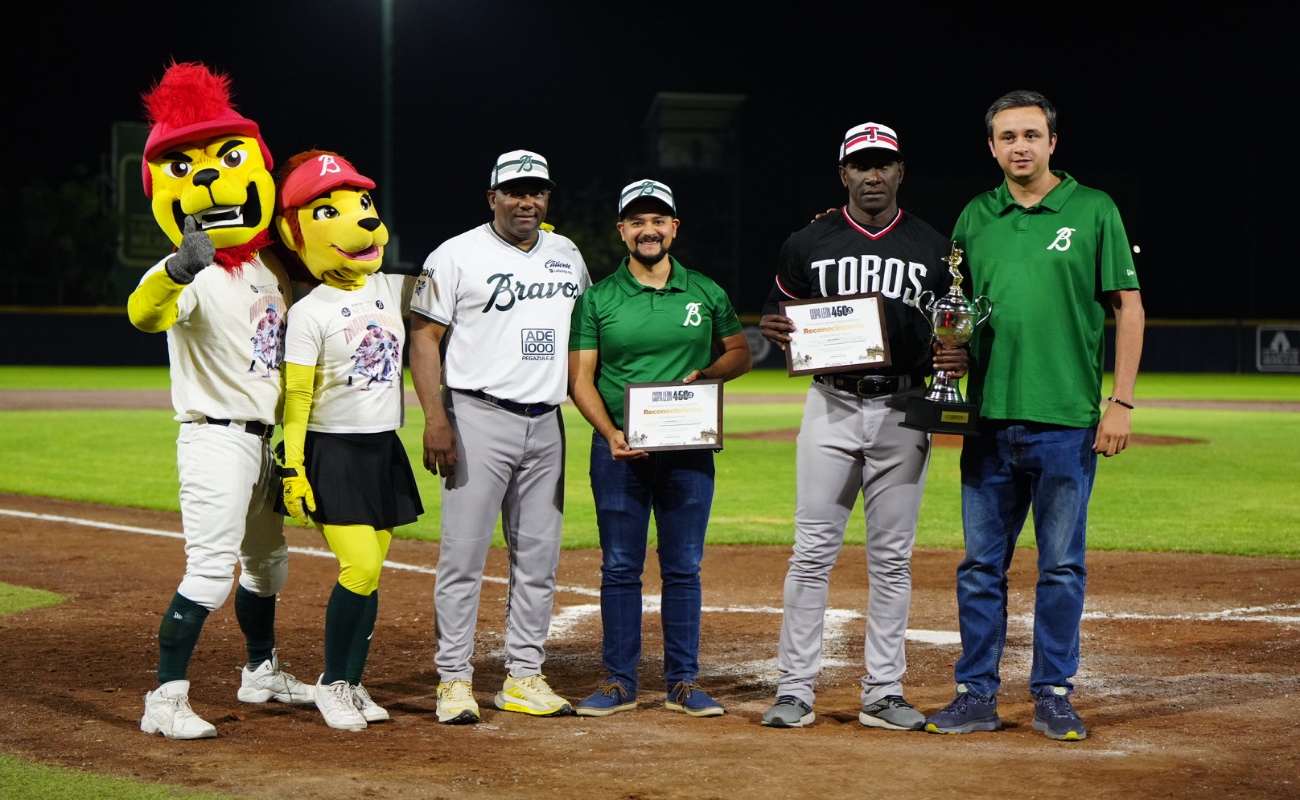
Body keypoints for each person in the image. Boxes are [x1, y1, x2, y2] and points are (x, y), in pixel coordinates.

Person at [923, 90, 1145, 742]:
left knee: (1062, 567)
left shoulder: (1094, 208)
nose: (1019, 146)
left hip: (1065, 420)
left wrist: (1121, 401)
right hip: (988, 420)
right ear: (991, 147)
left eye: (1030, 135)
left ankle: (1053, 693)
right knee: (979, 568)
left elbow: (1128, 307)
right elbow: (957, 312)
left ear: (1052, 142)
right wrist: (950, 356)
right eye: (1007, 137)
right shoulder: (974, 216)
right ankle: (975, 695)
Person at [757, 122, 967, 731]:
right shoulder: (807, 241)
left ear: (900, 171)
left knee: (893, 558)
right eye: (860, 165)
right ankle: (795, 689)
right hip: (831, 405)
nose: (872, 175)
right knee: (811, 552)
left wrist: (956, 353)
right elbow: (779, 309)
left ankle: (883, 693)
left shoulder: (936, 247)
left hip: (905, 407)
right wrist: (774, 326)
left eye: (883, 164)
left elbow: (954, 326)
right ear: (843, 173)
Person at [129, 61, 313, 740]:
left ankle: (260, 671)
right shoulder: (187, 267)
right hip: (214, 436)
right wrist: (179, 267)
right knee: (209, 573)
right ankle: (165, 699)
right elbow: (145, 313)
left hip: (265, 440)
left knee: (268, 568)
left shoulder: (268, 270)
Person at [408, 149, 591, 724]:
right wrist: (436, 419)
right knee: (463, 557)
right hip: (477, 416)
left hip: (547, 422)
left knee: (539, 559)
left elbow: (587, 335)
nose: (526, 201)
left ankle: (524, 676)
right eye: (514, 191)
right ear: (493, 197)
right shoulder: (455, 254)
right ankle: (454, 680)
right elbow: (423, 337)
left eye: (537, 191)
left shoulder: (567, 254)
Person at [567, 179, 752, 718]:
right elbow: (580, 379)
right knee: (620, 567)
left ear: (674, 227)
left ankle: (683, 682)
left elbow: (739, 353)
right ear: (622, 230)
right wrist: (609, 433)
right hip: (620, 451)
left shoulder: (706, 292)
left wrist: (708, 375)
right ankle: (619, 682)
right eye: (637, 221)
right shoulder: (597, 298)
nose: (648, 230)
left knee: (684, 567)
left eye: (658, 220)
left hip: (688, 451)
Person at [273, 150, 422, 731]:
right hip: (332, 451)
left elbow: (454, 287)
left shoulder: (386, 285)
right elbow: (297, 397)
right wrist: (293, 467)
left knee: (372, 571)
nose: (363, 218)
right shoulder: (309, 312)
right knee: (358, 566)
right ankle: (332, 683)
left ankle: (353, 682)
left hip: (382, 448)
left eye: (363, 203)